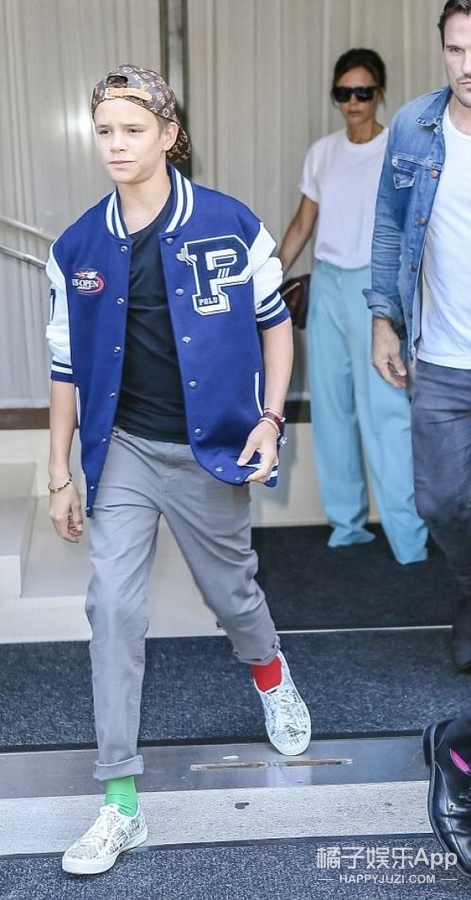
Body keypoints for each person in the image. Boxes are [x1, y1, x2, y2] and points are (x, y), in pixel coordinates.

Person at [45, 64, 311, 876]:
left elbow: (274, 325)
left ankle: (270, 672)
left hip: (210, 448)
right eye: (104, 131)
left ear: (168, 135)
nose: (116, 145)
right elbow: (64, 368)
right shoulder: (76, 246)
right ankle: (120, 803)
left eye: (133, 130)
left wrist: (270, 418)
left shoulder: (230, 224)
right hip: (123, 448)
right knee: (113, 608)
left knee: (232, 595)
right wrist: (59, 471)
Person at [365, 0, 471, 877]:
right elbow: (391, 225)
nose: (469, 65)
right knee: (439, 502)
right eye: (458, 49)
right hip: (439, 358)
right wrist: (381, 318)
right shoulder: (414, 127)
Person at [278, 49, 428, 565]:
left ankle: (409, 539)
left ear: (380, 92)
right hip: (327, 285)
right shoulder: (322, 152)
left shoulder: (400, 149)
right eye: (344, 92)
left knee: (386, 412)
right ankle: (346, 528)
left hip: (378, 289)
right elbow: (303, 224)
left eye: (363, 91)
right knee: (331, 410)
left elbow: (418, 225)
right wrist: (265, 282)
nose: (354, 101)